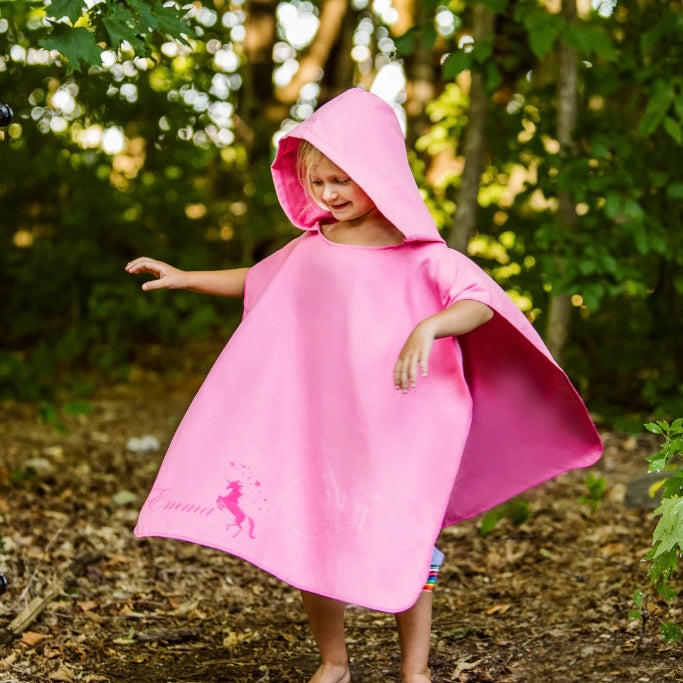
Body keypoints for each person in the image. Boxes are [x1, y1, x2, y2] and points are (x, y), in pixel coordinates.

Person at [126, 89, 602, 682]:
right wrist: (187, 278)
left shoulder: (425, 257)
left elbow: (479, 303)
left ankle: (415, 669)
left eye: (342, 180)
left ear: (378, 172)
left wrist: (431, 325)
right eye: (319, 182)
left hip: (403, 427)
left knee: (407, 539)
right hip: (328, 424)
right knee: (312, 534)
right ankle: (334, 661)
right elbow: (257, 280)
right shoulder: (312, 249)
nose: (328, 194)